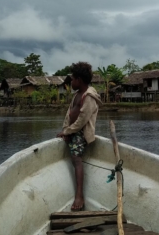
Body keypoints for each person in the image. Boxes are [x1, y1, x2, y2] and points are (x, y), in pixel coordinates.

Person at [57, 61, 102, 211]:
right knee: (69, 147)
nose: (71, 82)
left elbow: (82, 121)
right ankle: (78, 193)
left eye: (73, 79)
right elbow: (68, 115)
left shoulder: (89, 97)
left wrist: (68, 131)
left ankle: (79, 195)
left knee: (76, 159)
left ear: (80, 80)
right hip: (72, 130)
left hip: (82, 133)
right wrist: (65, 130)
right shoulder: (76, 95)